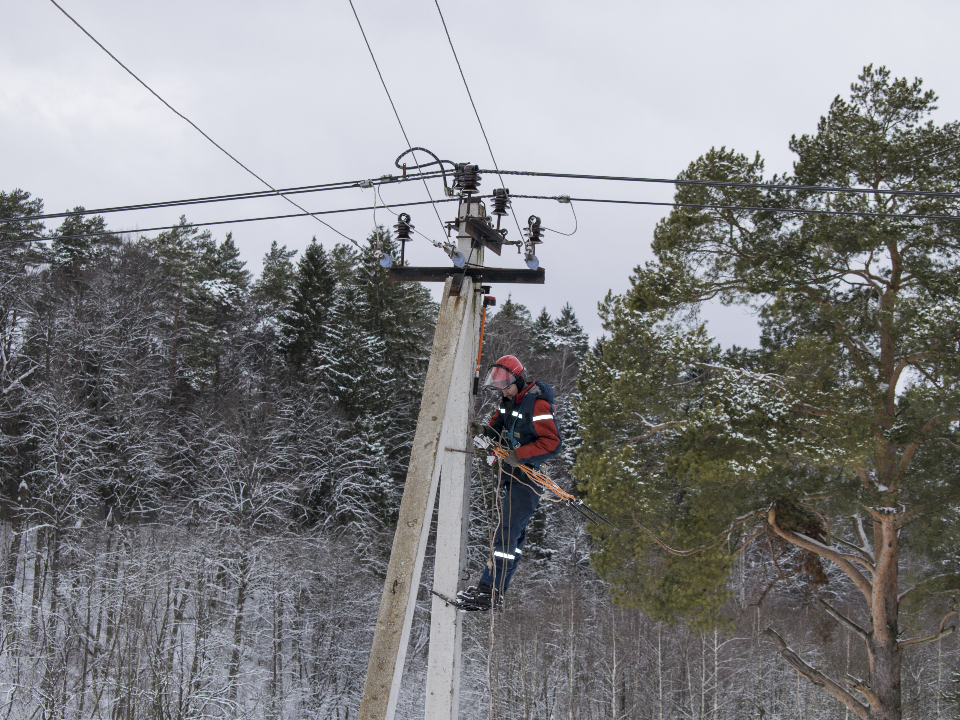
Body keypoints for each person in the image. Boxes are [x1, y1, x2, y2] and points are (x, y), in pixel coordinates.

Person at [457, 355, 563, 611]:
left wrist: (521, 455)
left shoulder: (536, 405)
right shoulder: (508, 402)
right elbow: (497, 428)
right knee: (513, 535)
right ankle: (495, 590)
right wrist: (483, 431)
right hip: (512, 475)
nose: (503, 392)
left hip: (529, 478)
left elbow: (553, 443)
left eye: (506, 386)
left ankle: (489, 589)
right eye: (500, 388)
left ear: (518, 379)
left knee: (506, 534)